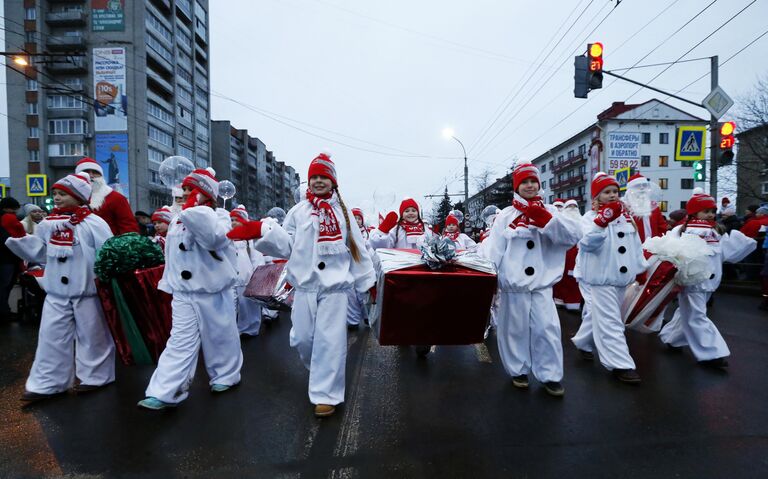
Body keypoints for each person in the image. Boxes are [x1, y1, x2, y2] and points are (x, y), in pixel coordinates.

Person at [229, 153, 376, 417]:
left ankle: (326, 394)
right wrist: (261, 230)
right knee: (303, 339)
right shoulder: (298, 212)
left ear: (333, 182)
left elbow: (358, 249)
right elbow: (287, 244)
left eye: (324, 177)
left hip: (335, 290)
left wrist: (368, 283)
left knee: (330, 342)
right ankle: (318, 368)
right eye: (314, 177)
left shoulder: (343, 213)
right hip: (305, 288)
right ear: (309, 182)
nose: (319, 181)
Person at [4, 173, 115, 403]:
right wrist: (18, 237)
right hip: (56, 292)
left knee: (93, 336)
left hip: (87, 292)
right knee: (50, 337)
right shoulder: (47, 224)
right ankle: (47, 383)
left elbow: (107, 252)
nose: (57, 197)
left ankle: (96, 377)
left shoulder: (93, 223)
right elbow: (40, 252)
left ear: (78, 197)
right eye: (55, 193)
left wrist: (106, 279)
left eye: (62, 194)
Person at [138, 167, 243, 410]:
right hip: (184, 292)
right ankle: (164, 391)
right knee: (179, 341)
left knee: (220, 336)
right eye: (184, 188)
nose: (185, 193)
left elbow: (214, 239)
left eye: (191, 189)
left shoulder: (220, 216)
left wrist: (194, 213)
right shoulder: (177, 218)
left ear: (206, 193)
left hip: (212, 290)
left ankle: (226, 376)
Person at [486, 161, 582, 397]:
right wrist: (490, 280)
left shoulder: (551, 212)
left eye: (533, 181)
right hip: (513, 286)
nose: (529, 186)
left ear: (539, 185)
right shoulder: (505, 216)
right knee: (514, 330)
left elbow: (571, 237)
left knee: (546, 329)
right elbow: (494, 251)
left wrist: (546, 221)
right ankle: (518, 370)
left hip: (541, 285)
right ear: (517, 187)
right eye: (524, 182)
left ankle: (550, 375)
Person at [659, 189, 756, 367]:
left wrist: (742, 243)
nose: (710, 214)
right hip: (692, 281)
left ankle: (672, 338)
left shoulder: (715, 230)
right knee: (696, 315)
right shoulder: (684, 230)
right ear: (694, 212)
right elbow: (670, 250)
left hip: (710, 281)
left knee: (688, 312)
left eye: (712, 211)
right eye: (706, 211)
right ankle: (712, 353)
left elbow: (724, 253)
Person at [572, 172, 648, 384]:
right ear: (596, 197)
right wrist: (602, 221)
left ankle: (583, 341)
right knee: (611, 321)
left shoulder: (626, 218)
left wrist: (641, 267)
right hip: (601, 279)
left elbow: (635, 245)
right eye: (607, 192)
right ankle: (620, 364)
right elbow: (587, 244)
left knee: (601, 315)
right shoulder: (588, 219)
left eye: (615, 191)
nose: (613, 195)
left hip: (621, 279)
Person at [74, 157, 139, 235]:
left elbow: (129, 229)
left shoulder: (116, 198)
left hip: (107, 245)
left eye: (95, 172)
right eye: (86, 172)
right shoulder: (68, 197)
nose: (91, 175)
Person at [230, 205, 265, 337]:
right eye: (231, 220)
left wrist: (257, 275)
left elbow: (256, 257)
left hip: (247, 278)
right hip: (232, 278)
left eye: (236, 220)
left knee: (248, 306)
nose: (233, 223)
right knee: (231, 306)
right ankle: (233, 329)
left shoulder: (249, 237)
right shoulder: (228, 236)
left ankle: (250, 328)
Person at [552, 199, 583, 312]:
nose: (572, 209)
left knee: (574, 279)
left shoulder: (582, 221)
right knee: (559, 278)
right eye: (569, 206)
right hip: (561, 254)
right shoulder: (560, 222)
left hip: (576, 255)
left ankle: (573, 302)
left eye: (574, 206)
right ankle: (558, 299)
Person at [624, 174, 668, 243]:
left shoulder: (654, 208)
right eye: (638, 186)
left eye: (644, 185)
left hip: (652, 249)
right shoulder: (624, 208)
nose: (642, 188)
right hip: (632, 249)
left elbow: (662, 228)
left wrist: (658, 243)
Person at [0, 197, 22, 321]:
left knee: (4, 286)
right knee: (5, 286)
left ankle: (4, 310)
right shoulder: (7, 218)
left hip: (6, 258)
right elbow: (13, 238)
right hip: (7, 258)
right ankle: (4, 312)